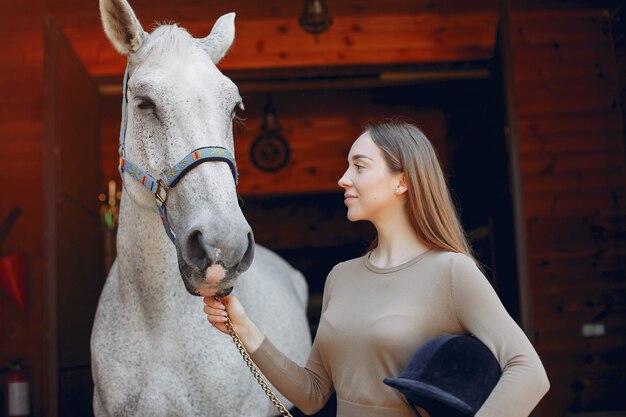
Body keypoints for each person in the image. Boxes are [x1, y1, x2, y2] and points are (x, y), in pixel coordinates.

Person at [203, 120, 550, 417]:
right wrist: (243, 326)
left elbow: (529, 371)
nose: (343, 179)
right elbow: (312, 394)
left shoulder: (451, 272)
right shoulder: (341, 277)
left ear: (402, 181)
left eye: (359, 165)